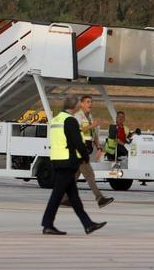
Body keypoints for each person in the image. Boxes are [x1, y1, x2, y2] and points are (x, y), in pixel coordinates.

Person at [42, 96, 107, 235]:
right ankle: (47, 224)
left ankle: (88, 224)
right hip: (67, 161)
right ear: (75, 107)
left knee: (74, 197)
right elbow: (77, 142)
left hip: (57, 160)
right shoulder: (70, 120)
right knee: (57, 195)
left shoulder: (56, 119)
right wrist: (85, 157)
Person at [73, 95, 113, 208]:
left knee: (74, 176)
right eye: (87, 102)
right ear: (82, 104)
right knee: (90, 175)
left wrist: (99, 147)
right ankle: (100, 198)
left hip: (87, 149)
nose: (90, 104)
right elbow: (78, 130)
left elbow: (93, 134)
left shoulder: (89, 116)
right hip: (79, 150)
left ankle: (63, 198)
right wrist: (92, 125)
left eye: (91, 102)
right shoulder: (78, 116)